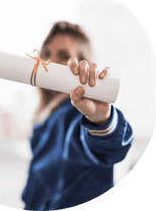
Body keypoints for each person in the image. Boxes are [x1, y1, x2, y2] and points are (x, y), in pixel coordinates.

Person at [22, 21, 133, 210]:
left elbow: (106, 145)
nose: (50, 62)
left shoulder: (76, 116)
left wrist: (101, 121)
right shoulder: (45, 120)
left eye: (63, 56)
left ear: (82, 67)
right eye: (47, 54)